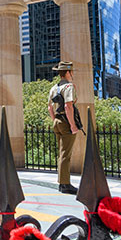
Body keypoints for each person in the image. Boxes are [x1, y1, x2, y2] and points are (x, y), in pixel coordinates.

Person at [48, 61, 81, 194]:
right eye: (71, 71)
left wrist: (54, 120)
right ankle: (65, 184)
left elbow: (50, 107)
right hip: (66, 122)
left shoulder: (54, 88)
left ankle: (62, 182)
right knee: (66, 154)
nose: (72, 74)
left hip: (57, 121)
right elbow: (68, 106)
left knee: (62, 153)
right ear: (67, 72)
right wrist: (73, 125)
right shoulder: (68, 87)